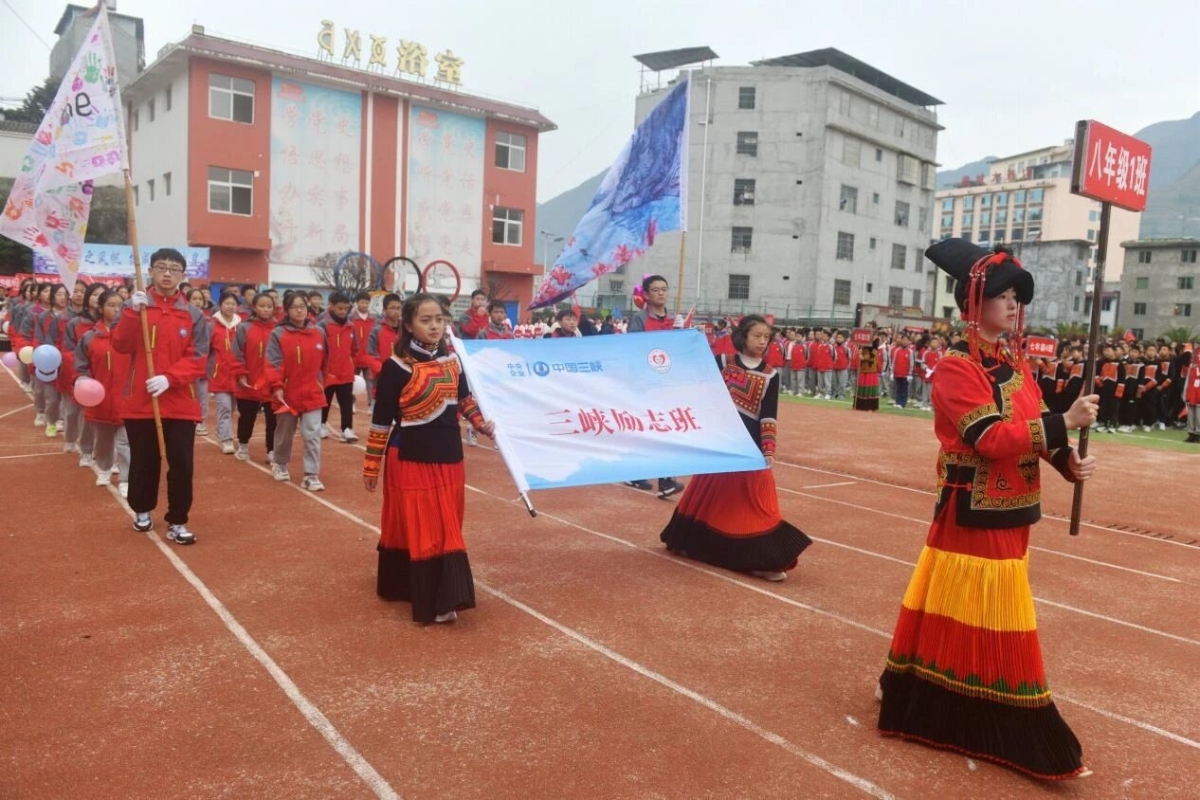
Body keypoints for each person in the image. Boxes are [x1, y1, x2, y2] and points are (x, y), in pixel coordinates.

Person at [877, 239, 1099, 781]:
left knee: (974, 609)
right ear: (973, 303)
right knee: (994, 612)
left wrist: (1065, 460)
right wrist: (1065, 423)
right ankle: (1013, 721)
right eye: (1002, 295)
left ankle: (934, 695)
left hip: (1015, 506)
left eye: (1015, 297)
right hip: (972, 508)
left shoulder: (1015, 363)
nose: (1012, 304)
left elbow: (1034, 423)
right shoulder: (956, 368)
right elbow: (990, 438)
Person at [363, 293, 495, 624]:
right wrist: (371, 465)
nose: (434, 326)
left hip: (449, 454)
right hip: (410, 457)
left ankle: (420, 588)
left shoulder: (453, 360)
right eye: (425, 320)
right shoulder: (395, 367)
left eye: (439, 319)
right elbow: (381, 421)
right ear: (408, 325)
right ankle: (438, 599)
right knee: (429, 526)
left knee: (448, 520)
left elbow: (464, 400)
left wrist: (481, 424)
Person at [659, 315, 812, 580]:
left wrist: (768, 448)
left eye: (766, 337)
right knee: (713, 496)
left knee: (758, 501)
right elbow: (692, 376)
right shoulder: (722, 362)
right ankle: (702, 544)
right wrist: (690, 339)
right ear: (743, 336)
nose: (762, 341)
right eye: (757, 336)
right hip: (721, 443)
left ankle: (764, 557)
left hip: (750, 446)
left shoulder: (771, 375)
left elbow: (768, 414)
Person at [112, 248, 210, 544]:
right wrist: (131, 312)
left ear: (182, 275)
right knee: (145, 461)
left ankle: (177, 520)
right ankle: (142, 509)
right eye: (161, 267)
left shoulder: (193, 314)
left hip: (180, 402)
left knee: (182, 464)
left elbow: (199, 356)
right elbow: (120, 344)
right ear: (151, 271)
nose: (167, 273)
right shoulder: (136, 307)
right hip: (141, 401)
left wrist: (170, 378)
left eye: (174, 269)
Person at [625, 274, 685, 499]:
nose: (661, 293)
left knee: (664, 427)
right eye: (656, 290)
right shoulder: (639, 319)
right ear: (647, 295)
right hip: (643, 382)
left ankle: (663, 478)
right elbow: (634, 348)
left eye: (664, 289)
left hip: (667, 383)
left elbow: (678, 351)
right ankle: (639, 472)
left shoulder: (674, 318)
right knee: (647, 427)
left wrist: (682, 333)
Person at [265, 291, 328, 491]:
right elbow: (273, 363)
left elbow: (325, 362)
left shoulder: (319, 332)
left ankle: (311, 474)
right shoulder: (278, 334)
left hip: (313, 393)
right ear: (286, 310)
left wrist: (321, 383)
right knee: (284, 433)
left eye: (302, 306)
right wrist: (277, 386)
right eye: (294, 307)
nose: (299, 310)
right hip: (287, 394)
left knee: (312, 434)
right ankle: (281, 464)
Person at [76, 290, 131, 496]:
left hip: (126, 398)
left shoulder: (130, 335)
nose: (116, 310)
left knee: (125, 442)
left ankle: (126, 478)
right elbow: (81, 367)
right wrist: (83, 382)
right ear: (100, 308)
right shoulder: (90, 337)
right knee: (103, 440)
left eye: (120, 305)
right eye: (111, 305)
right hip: (100, 399)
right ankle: (105, 468)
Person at [232, 293, 279, 463]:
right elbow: (237, 354)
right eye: (262, 306)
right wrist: (241, 375)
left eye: (269, 306)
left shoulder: (278, 329)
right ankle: (243, 445)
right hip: (249, 382)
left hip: (271, 383)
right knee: (247, 417)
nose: (266, 309)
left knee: (273, 419)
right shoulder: (244, 328)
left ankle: (272, 450)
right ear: (254, 307)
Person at [317, 291, 359, 442]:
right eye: (340, 308)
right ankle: (321, 425)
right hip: (327, 372)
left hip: (345, 372)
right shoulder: (322, 325)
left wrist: (349, 364)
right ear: (331, 306)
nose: (343, 311)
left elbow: (354, 349)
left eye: (346, 308)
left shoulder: (351, 326)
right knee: (325, 401)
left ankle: (347, 429)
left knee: (346, 402)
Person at [208, 289, 242, 454]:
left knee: (233, 408)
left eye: (233, 304)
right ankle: (226, 439)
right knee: (225, 407)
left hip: (237, 374)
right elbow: (205, 350)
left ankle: (220, 431)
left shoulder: (241, 326)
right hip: (219, 374)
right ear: (220, 305)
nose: (230, 307)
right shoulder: (211, 326)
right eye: (227, 303)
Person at [853, 335, 881, 411]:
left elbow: (874, 353)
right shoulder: (863, 337)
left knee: (869, 384)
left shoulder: (875, 339)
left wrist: (864, 357)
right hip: (862, 367)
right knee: (862, 384)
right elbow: (860, 350)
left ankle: (869, 406)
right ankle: (860, 405)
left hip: (871, 367)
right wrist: (860, 352)